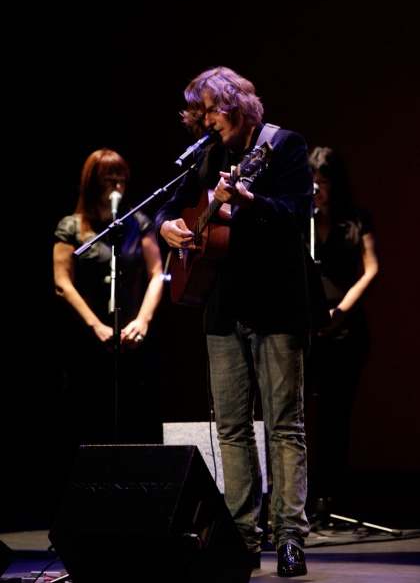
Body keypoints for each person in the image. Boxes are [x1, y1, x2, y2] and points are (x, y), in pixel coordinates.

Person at [154, 66, 331, 577]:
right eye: (201, 112)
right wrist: (167, 223)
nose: (208, 120)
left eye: (214, 108)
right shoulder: (208, 155)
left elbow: (298, 213)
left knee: (284, 425)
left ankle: (291, 536)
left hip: (278, 305)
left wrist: (249, 203)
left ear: (240, 105)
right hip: (221, 306)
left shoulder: (282, 145)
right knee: (230, 429)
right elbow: (174, 202)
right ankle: (241, 536)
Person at [53, 147, 165, 457]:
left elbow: (158, 273)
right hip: (87, 339)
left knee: (136, 412)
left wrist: (142, 321)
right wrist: (95, 326)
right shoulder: (72, 227)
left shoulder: (138, 223)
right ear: (92, 184)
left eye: (121, 180)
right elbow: (62, 282)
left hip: (131, 335)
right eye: (108, 180)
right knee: (89, 412)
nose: (116, 187)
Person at [306, 146, 379, 528]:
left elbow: (370, 269)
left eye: (324, 179)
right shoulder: (303, 221)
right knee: (300, 417)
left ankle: (329, 498)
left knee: (335, 416)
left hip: (345, 330)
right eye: (312, 179)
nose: (316, 186)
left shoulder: (356, 219)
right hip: (307, 331)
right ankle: (297, 501)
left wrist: (339, 313)